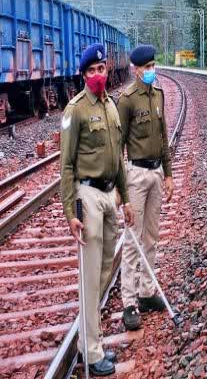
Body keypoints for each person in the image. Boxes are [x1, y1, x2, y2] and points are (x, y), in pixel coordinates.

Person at [61, 43, 134, 376]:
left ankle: (89, 340)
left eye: (101, 69)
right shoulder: (75, 110)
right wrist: (70, 213)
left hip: (109, 198)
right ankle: (91, 352)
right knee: (91, 278)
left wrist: (126, 197)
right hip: (88, 197)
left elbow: (119, 157)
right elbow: (65, 166)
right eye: (91, 71)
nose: (98, 75)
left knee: (105, 270)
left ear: (107, 70)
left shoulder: (112, 107)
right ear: (84, 74)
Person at [117, 45, 173, 332]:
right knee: (132, 240)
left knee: (151, 236)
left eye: (154, 65)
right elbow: (117, 145)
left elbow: (164, 139)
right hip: (136, 174)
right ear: (136, 69)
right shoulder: (126, 100)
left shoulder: (158, 95)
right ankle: (129, 301)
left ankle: (147, 291)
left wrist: (169, 175)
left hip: (156, 172)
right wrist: (120, 187)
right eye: (147, 66)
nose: (152, 70)